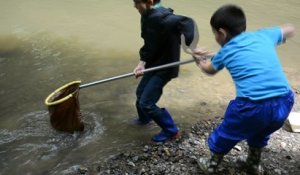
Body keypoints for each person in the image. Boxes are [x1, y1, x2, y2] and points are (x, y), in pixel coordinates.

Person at [193, 4, 295, 174]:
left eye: (214, 33)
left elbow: (209, 70)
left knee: (227, 132)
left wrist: (199, 60)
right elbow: (289, 29)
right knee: (261, 130)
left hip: (252, 106)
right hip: (284, 101)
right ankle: (253, 164)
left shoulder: (225, 52)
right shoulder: (263, 35)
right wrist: (280, 36)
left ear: (222, 33)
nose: (215, 37)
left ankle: (211, 165)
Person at [132, 0, 198, 142]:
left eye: (137, 2)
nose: (134, 6)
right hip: (153, 64)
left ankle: (171, 131)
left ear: (149, 1)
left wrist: (191, 47)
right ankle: (145, 120)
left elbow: (187, 22)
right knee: (139, 95)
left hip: (165, 68)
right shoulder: (146, 15)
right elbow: (148, 44)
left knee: (146, 103)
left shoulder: (163, 19)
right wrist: (141, 63)